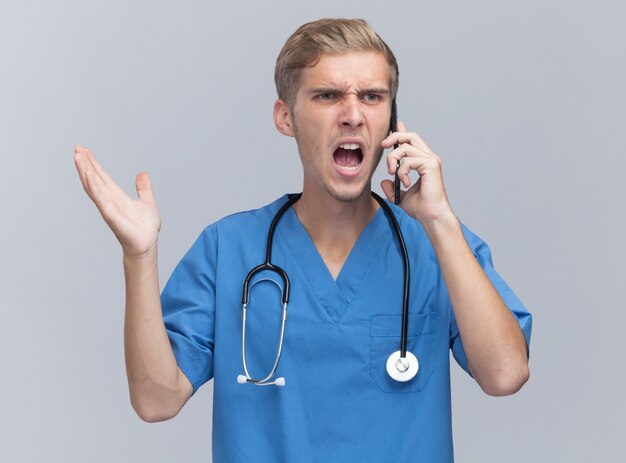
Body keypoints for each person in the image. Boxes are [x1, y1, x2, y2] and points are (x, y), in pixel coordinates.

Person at [74, 18, 531, 462]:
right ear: (285, 116)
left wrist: (441, 220)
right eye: (328, 96)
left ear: (391, 121)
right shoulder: (228, 249)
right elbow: (157, 400)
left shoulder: (437, 246)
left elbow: (505, 375)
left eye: (372, 97)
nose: (352, 115)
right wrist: (139, 255)